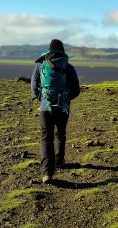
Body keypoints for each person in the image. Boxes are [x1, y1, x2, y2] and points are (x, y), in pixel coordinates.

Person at [31, 39, 80, 183]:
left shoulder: (41, 65)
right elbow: (76, 90)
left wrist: (42, 97)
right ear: (62, 51)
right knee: (60, 133)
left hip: (45, 106)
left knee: (46, 137)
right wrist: (65, 98)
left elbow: (34, 86)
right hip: (63, 107)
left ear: (49, 50)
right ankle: (59, 160)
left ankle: (47, 172)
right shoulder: (68, 67)